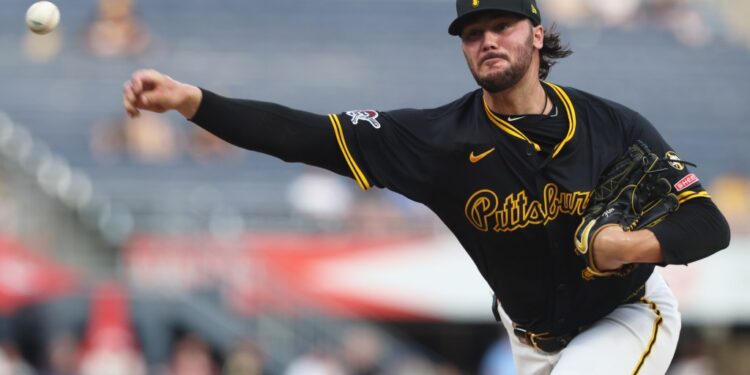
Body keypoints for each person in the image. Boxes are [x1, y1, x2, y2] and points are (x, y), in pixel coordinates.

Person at [122, 1, 730, 374]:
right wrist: (191, 102)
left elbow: (710, 224)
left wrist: (624, 248)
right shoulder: (437, 139)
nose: (487, 40)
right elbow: (302, 135)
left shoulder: (610, 125)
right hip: (529, 339)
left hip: (625, 311)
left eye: (502, 24)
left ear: (537, 34)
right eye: (472, 32)